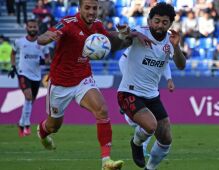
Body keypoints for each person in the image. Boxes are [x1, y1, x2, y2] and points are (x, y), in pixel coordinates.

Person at [36, 0, 152, 169]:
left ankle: (106, 161)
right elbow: (43, 37)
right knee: (54, 126)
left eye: (94, 8)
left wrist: (126, 34)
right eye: (87, 8)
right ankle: (42, 131)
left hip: (83, 78)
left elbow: (110, 41)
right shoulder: (68, 24)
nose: (91, 11)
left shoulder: (97, 25)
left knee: (102, 110)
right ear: (80, 8)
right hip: (60, 83)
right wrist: (47, 38)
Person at [117, 2, 186, 170]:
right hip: (129, 92)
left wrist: (176, 48)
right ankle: (136, 143)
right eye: (156, 21)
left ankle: (150, 168)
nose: (160, 25)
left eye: (164, 22)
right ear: (149, 20)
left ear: (170, 24)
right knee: (150, 125)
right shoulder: (139, 32)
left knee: (166, 138)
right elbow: (121, 39)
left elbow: (181, 65)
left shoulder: (171, 41)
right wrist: (129, 34)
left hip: (152, 96)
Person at [118, 54, 175, 157]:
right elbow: (122, 59)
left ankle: (142, 149)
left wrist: (169, 79)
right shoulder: (139, 43)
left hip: (151, 91)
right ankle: (129, 115)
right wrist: (127, 77)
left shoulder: (164, 45)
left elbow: (165, 62)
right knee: (147, 123)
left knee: (152, 124)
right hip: (134, 89)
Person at [8, 19, 50, 137]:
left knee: (30, 101)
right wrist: (12, 66)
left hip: (36, 77)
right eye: (30, 27)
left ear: (37, 28)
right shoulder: (19, 41)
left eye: (34, 27)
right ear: (26, 28)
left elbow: (47, 59)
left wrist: (42, 61)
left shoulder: (42, 43)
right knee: (28, 96)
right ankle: (27, 124)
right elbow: (13, 53)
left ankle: (21, 122)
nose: (32, 29)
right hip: (23, 74)